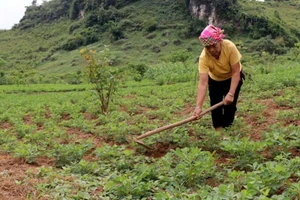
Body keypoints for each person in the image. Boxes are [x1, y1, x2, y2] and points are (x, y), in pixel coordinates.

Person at [193, 25, 244, 131]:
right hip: (215, 80)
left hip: (232, 77)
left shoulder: (229, 47)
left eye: (214, 45)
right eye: (208, 47)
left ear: (219, 41)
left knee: (230, 104)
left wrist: (230, 93)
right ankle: (219, 130)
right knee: (215, 104)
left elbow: (236, 72)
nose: (211, 50)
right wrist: (198, 107)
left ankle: (228, 128)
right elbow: (203, 83)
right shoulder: (204, 58)